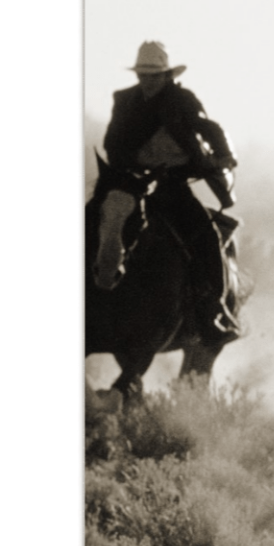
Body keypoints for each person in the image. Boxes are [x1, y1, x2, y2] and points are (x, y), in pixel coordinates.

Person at [95, 40, 242, 345]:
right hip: (132, 180)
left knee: (205, 235)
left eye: (154, 76)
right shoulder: (124, 100)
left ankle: (214, 306)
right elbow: (111, 143)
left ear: (166, 76)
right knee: (94, 217)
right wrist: (133, 165)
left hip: (172, 184)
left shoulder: (182, 99)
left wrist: (224, 155)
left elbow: (209, 129)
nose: (148, 81)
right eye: (143, 76)